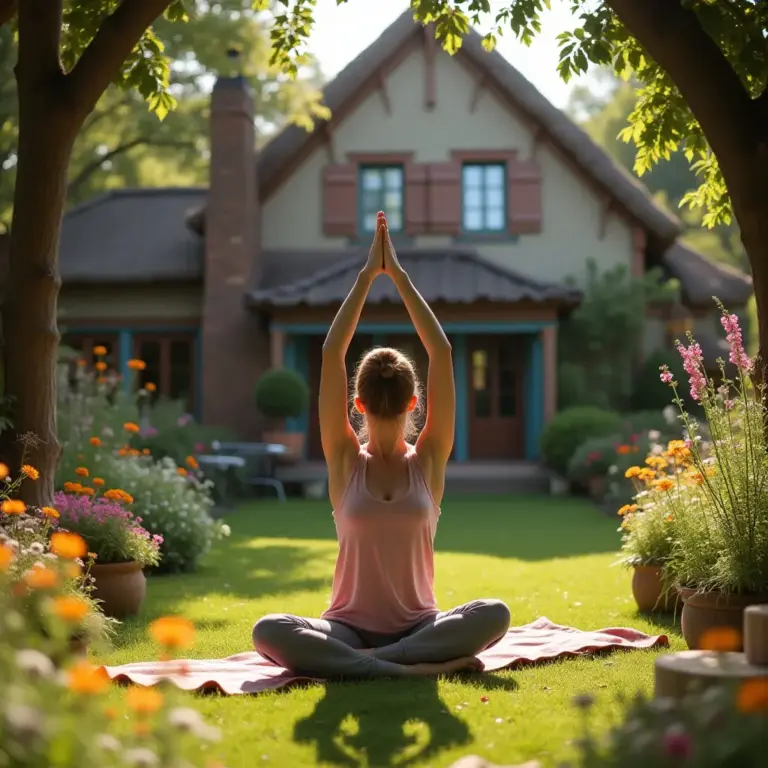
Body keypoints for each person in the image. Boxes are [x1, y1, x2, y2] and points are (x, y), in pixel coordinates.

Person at [252, 212, 511, 679]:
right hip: (347, 628)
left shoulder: (355, 456)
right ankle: (404, 667)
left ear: (357, 401)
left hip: (419, 625)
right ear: (415, 400)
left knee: (494, 611)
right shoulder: (404, 458)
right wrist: (398, 278)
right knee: (270, 629)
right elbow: (442, 352)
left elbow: (333, 351)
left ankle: (366, 667)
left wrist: (369, 276)